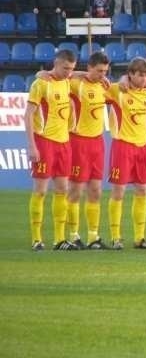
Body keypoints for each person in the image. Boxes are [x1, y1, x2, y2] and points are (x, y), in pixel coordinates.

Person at [25, 49, 78, 251]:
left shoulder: (67, 81)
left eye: (71, 69)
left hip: (64, 143)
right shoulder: (41, 83)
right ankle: (37, 239)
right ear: (56, 63)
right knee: (40, 190)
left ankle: (59, 239)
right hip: (44, 141)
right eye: (65, 68)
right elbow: (28, 115)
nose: (68, 72)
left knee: (62, 189)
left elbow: (83, 74)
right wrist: (31, 145)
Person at [106, 58, 146, 250]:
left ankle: (140, 238)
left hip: (143, 146)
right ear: (131, 74)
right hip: (123, 145)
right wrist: (122, 79)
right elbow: (96, 82)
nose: (144, 78)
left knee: (142, 190)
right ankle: (115, 237)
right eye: (140, 75)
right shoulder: (117, 91)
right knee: (119, 191)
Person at [66, 52, 111, 249]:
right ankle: (73, 235)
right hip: (78, 141)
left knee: (95, 190)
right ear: (90, 67)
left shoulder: (104, 86)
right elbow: (60, 75)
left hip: (97, 142)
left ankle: (93, 236)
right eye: (99, 71)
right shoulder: (76, 84)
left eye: (105, 71)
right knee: (76, 189)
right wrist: (82, 73)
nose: (102, 75)